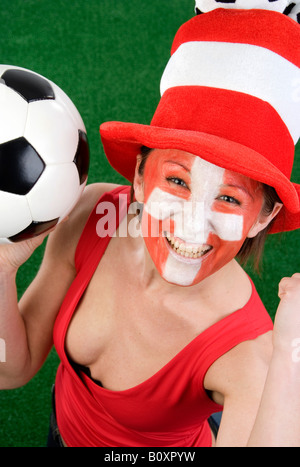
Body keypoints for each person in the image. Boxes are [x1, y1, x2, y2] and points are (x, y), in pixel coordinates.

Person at [1, 8, 300, 447]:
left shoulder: (248, 355)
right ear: (140, 177)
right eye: (177, 180)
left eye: (229, 198)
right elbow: (12, 368)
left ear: (263, 217)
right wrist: (2, 264)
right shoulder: (93, 214)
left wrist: (290, 354)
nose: (194, 224)